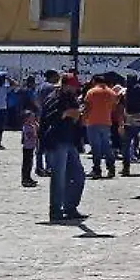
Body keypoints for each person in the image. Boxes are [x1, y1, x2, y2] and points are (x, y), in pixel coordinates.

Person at [40, 79, 88, 223]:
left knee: (78, 176)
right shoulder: (53, 98)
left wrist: (78, 114)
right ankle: (55, 210)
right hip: (57, 140)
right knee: (58, 178)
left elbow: (76, 119)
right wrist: (67, 113)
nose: (75, 89)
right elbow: (50, 118)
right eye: (73, 86)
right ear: (66, 85)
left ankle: (70, 207)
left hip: (70, 140)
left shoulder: (71, 98)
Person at [81, 75, 119, 180]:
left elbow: (87, 107)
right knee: (106, 145)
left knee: (95, 147)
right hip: (106, 122)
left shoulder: (91, 92)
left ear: (94, 81)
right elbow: (114, 107)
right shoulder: (111, 93)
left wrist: (84, 119)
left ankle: (97, 169)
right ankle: (111, 168)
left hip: (92, 122)